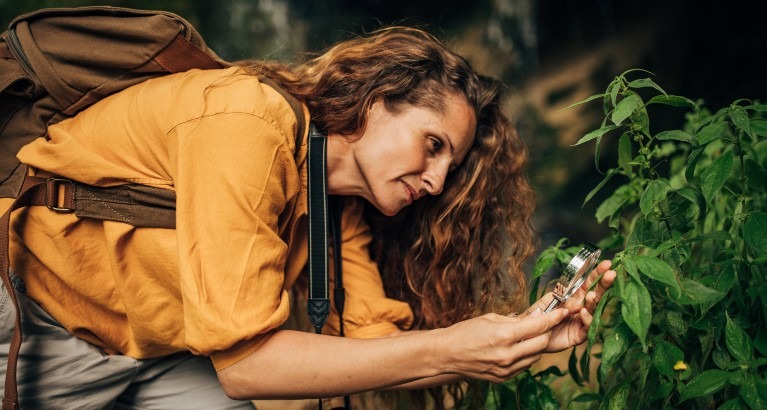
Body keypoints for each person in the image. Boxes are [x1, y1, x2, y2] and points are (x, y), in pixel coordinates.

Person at [0, 26, 615, 408]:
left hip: (148, 349)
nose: (434, 182)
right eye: (433, 145)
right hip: (36, 317)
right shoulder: (247, 122)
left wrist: (518, 341)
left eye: (448, 169)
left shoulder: (335, 206)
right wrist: (454, 349)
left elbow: (375, 345)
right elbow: (245, 365)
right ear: (378, 103)